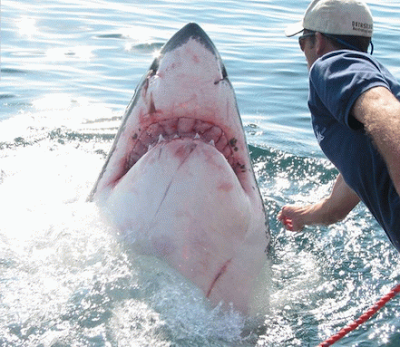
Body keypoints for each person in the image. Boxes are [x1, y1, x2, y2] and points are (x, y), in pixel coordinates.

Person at [278, 0, 400, 252]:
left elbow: (386, 114)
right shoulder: (375, 125)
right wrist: (305, 215)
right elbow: (338, 205)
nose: (304, 51)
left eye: (303, 41)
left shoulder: (331, 65)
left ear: (318, 41)